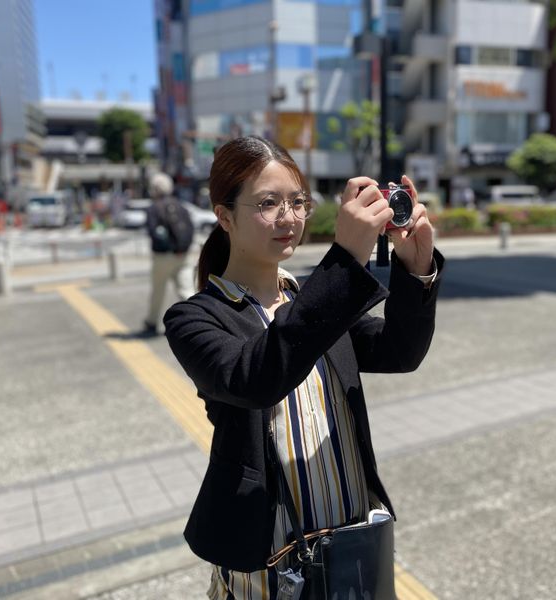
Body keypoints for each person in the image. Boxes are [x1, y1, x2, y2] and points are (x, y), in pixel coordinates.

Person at [163, 136, 443, 598]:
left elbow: (399, 351)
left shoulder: (311, 300)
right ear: (224, 216)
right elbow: (254, 378)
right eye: (267, 203)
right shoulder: (195, 317)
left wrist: (417, 270)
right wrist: (346, 260)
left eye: (298, 202)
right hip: (268, 564)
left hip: (351, 544)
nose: (289, 217)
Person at [143, 172, 195, 336]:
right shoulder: (181, 207)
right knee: (187, 291)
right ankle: (197, 321)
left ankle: (152, 322)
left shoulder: (153, 208)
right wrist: (182, 248)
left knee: (158, 291)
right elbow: (191, 229)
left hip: (163, 257)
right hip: (183, 255)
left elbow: (152, 232)